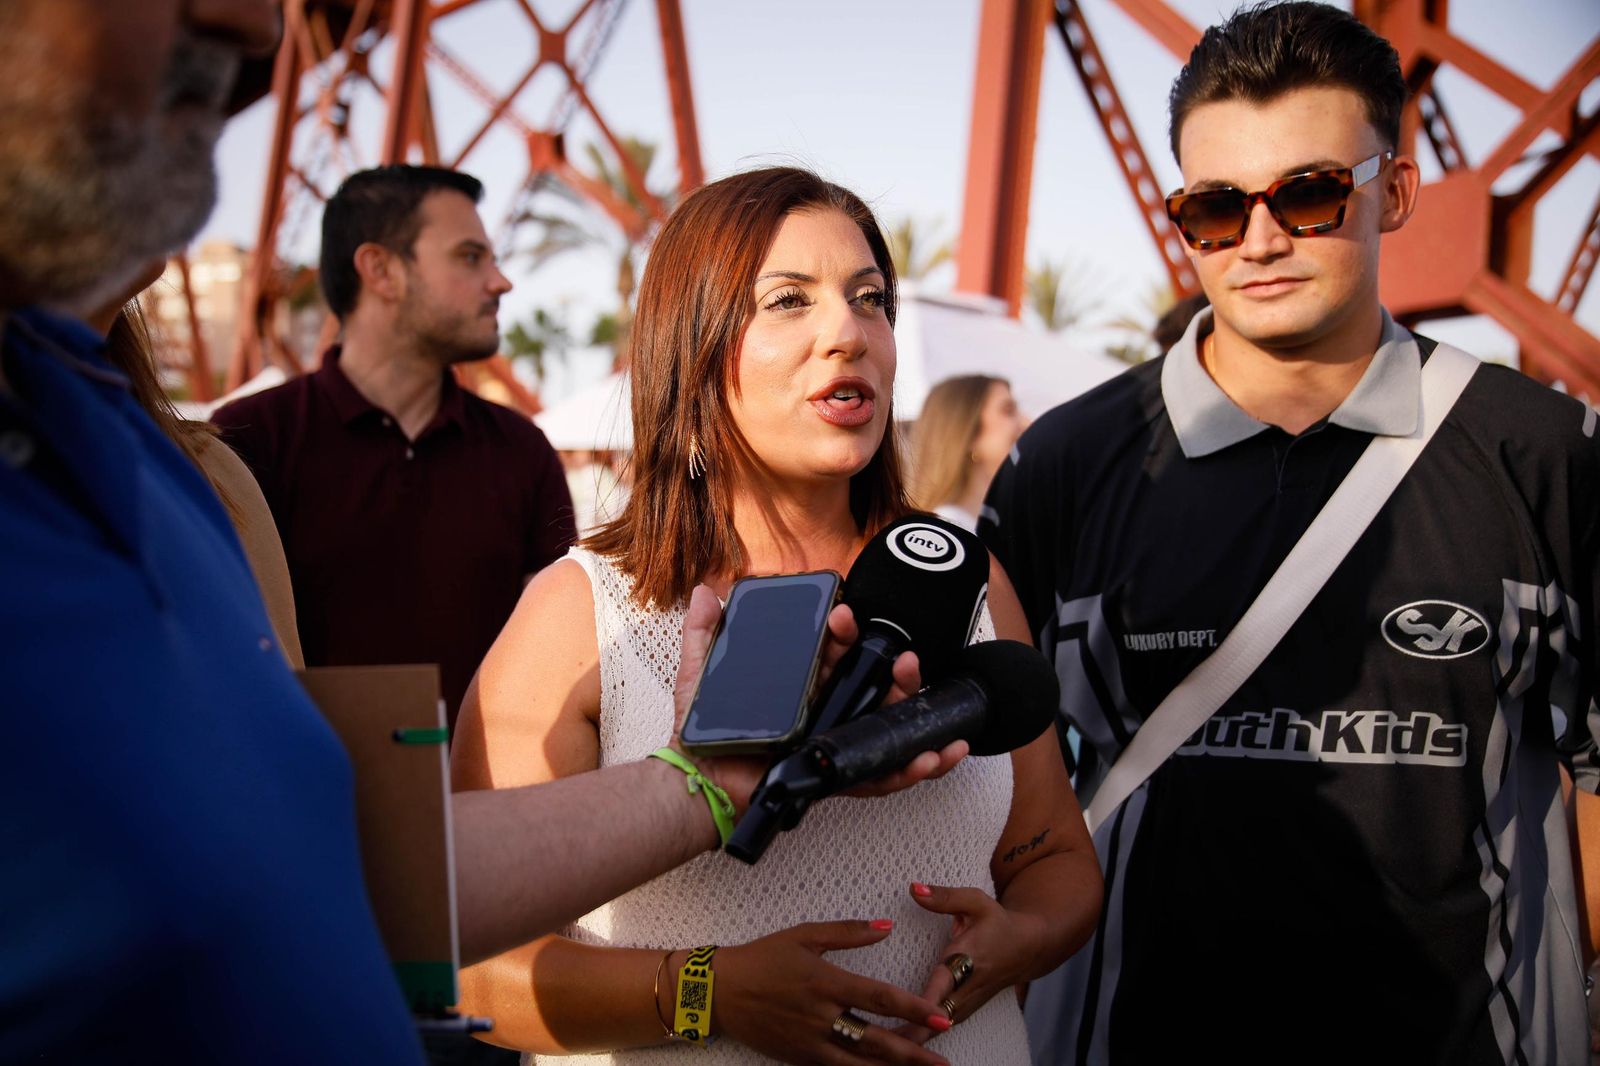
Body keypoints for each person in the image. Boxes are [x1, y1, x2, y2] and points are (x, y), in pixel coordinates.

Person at [0, 5, 966, 1063]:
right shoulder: (251, 448)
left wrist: (704, 778)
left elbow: (339, 860)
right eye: (470, 255)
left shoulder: (175, 470)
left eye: (870, 298)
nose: (248, 24)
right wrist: (707, 990)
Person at [980, 4, 1600, 1064]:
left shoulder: (1544, 450)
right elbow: (977, 771)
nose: (1259, 239)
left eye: (1308, 194)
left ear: (1392, 193)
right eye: (1214, 209)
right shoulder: (1065, 466)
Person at [450, 166, 1103, 1065]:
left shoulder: (967, 578)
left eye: (870, 300)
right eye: (789, 301)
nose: (849, 332)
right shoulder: (580, 611)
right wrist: (710, 993)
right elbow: (467, 968)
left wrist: (1019, 939)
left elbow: (1056, 861)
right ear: (695, 343)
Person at [213, 164, 576, 728]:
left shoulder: (521, 449)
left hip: (494, 797)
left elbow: (563, 650)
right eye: (470, 257)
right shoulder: (246, 442)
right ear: (380, 269)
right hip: (314, 800)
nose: (500, 282)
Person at [907, 374, 1026, 531]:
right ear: (969, 431)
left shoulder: (980, 525)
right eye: (1008, 411)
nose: (1025, 422)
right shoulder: (948, 530)